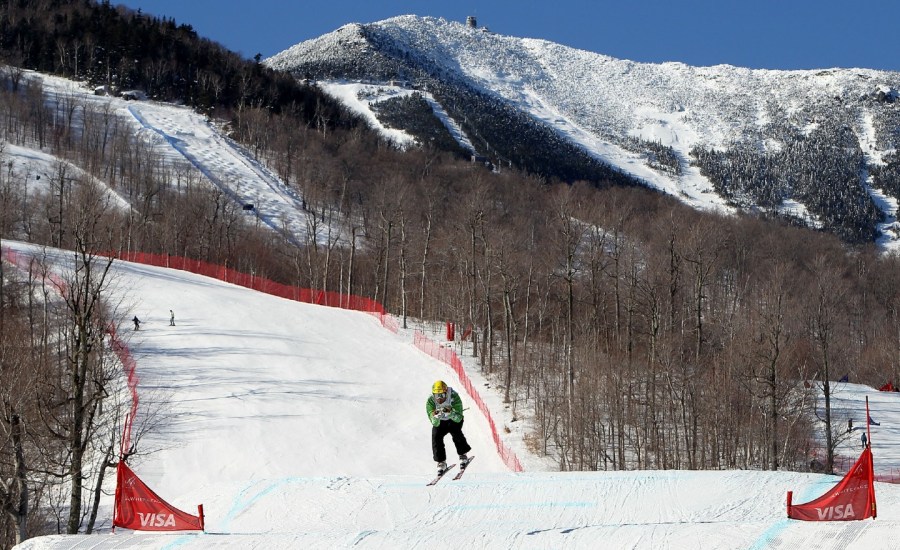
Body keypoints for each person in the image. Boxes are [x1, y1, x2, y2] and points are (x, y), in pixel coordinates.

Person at [426, 380, 471, 475]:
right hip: (440, 421)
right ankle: (441, 462)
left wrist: (450, 413)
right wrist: (435, 417)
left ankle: (463, 455)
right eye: (436, 396)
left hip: (453, 419)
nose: (439, 398)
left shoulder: (454, 396)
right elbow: (433, 421)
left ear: (446, 393)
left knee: (455, 431)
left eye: (441, 395)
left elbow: (459, 417)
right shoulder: (430, 401)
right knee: (436, 436)